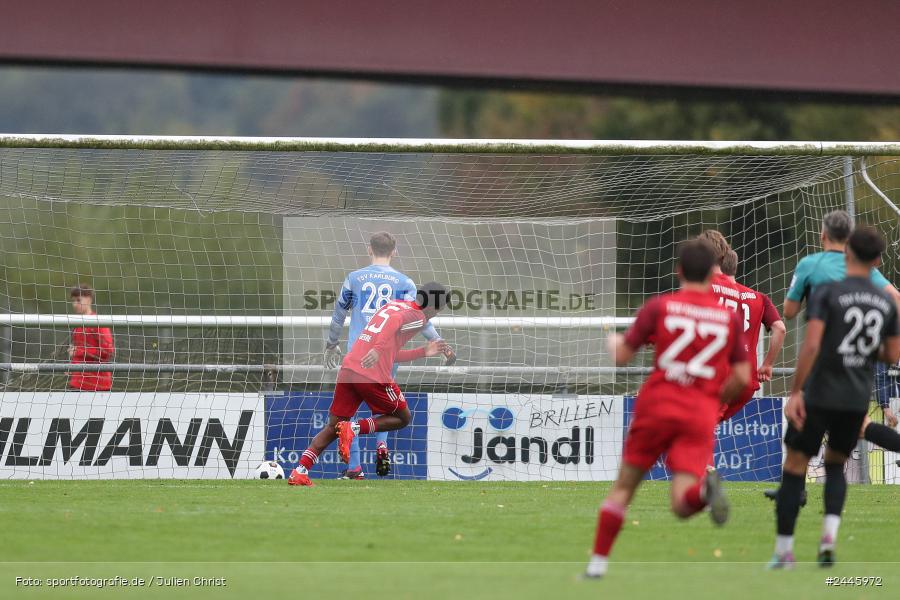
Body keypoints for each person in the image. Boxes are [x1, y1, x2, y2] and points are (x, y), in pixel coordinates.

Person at [585, 240, 750, 579]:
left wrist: (612, 342)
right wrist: (713, 396)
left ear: (678, 271)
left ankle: (597, 567)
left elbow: (622, 355)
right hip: (699, 413)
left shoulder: (661, 307)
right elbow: (744, 377)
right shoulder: (728, 318)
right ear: (711, 274)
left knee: (624, 487)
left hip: (656, 405)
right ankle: (704, 491)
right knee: (681, 503)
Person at [769, 226, 900, 569]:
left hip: (822, 390)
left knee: (795, 465)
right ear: (877, 260)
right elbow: (891, 354)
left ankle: (784, 552)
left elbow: (811, 345)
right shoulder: (884, 301)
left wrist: (796, 391)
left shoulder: (829, 292)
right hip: (856, 394)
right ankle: (828, 542)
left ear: (847, 253)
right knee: (836, 465)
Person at [290, 282, 451, 487]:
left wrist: (422, 352)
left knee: (333, 426)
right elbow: (393, 324)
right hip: (372, 375)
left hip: (350, 368)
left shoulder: (395, 304)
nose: (437, 314)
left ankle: (300, 471)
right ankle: (353, 428)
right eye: (440, 309)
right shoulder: (417, 316)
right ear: (434, 306)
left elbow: (391, 353)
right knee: (402, 417)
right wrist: (377, 349)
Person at [324, 232, 455, 479]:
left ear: (369, 249)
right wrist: (439, 343)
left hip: (358, 352)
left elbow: (339, 313)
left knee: (347, 413)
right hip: (387, 356)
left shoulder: (354, 278)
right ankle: (381, 446)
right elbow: (420, 320)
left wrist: (331, 343)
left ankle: (354, 468)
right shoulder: (405, 282)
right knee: (383, 406)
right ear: (394, 251)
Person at [699, 234, 786, 422]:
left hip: (717, 375)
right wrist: (768, 364)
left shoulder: (707, 286)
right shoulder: (758, 297)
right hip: (745, 381)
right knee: (702, 430)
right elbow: (780, 328)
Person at [68, 284, 114, 392]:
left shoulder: (97, 322)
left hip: (97, 385)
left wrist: (78, 351)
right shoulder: (78, 324)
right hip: (78, 383)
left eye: (78, 300)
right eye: (73, 301)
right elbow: (79, 354)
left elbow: (108, 351)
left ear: (89, 300)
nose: (75, 304)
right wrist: (72, 367)